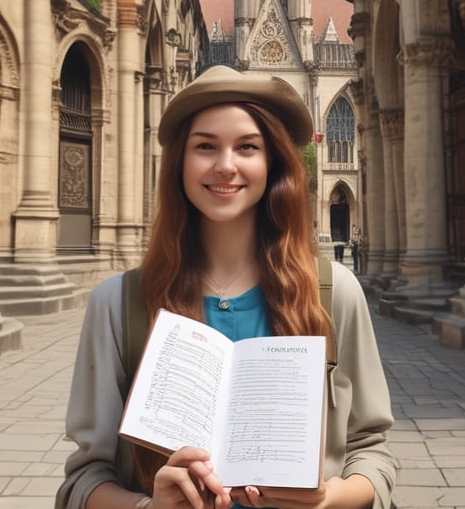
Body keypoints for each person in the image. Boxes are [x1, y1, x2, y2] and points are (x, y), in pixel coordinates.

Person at [56, 65, 397, 509]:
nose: (226, 165)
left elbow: (372, 452)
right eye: (205, 147)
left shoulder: (335, 293)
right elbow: (83, 479)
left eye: (247, 147)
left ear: (272, 162)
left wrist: (330, 499)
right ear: (179, 162)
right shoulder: (118, 305)